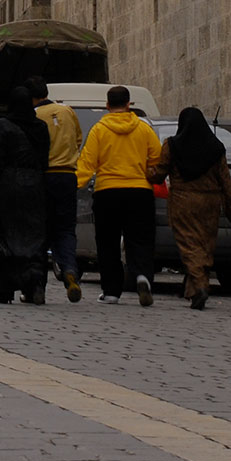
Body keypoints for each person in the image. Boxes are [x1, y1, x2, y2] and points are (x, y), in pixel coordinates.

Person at [75, 85, 163, 306]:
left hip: (107, 192)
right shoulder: (143, 130)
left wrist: (74, 184)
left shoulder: (99, 130)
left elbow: (87, 163)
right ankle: (142, 276)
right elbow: (157, 159)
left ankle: (112, 291)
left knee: (108, 243)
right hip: (139, 192)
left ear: (107, 106)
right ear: (128, 104)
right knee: (140, 239)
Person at [149, 108, 231, 310]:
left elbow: (159, 173)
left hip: (183, 202)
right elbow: (226, 181)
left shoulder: (172, 145)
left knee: (189, 246)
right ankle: (193, 290)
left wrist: (145, 172)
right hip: (210, 204)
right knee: (205, 246)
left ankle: (199, 287)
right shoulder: (216, 148)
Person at [0, 87, 51, 304]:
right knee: (35, 235)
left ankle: (5, 287)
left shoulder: (3, 126)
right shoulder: (41, 127)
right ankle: (35, 280)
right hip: (35, 185)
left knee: (8, 235)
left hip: (9, 185)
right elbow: (45, 160)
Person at [30, 75, 85, 303]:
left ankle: (38, 287)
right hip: (67, 175)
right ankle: (70, 269)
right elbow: (78, 139)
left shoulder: (34, 115)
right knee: (65, 228)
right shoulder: (67, 111)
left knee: (40, 232)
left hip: (44, 176)